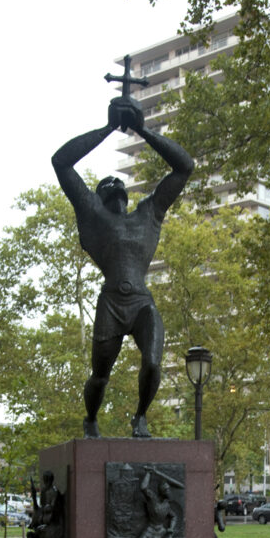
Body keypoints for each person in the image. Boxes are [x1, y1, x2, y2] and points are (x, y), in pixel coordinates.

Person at [52, 102, 194, 439]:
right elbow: (61, 162)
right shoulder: (94, 216)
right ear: (98, 197)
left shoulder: (148, 214)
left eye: (118, 184)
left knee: (153, 363)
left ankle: (140, 417)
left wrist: (141, 129)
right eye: (107, 185)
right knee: (100, 376)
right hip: (111, 303)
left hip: (142, 302)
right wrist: (109, 128)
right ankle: (90, 418)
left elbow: (184, 167)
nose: (115, 185)